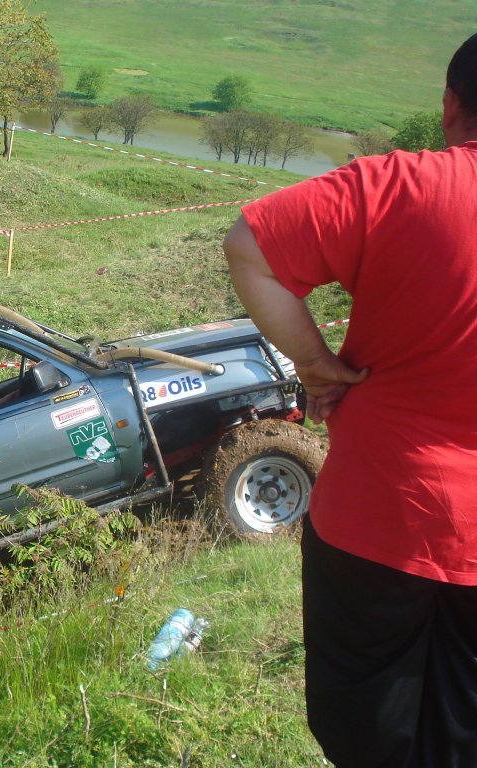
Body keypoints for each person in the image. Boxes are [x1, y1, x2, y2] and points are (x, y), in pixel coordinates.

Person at [222, 33, 477, 768]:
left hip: (380, 517)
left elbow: (250, 246)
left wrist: (317, 364)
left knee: (364, 728)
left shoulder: (396, 184)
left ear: (451, 105)